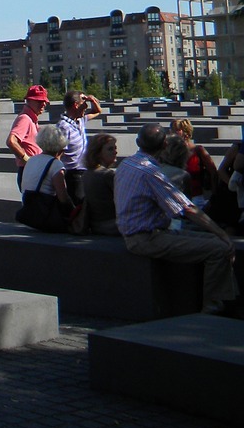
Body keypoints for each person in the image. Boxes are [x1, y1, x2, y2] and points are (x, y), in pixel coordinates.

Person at [115, 124, 238, 315]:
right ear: (165, 144)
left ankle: (229, 300)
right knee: (220, 248)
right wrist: (221, 233)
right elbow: (186, 208)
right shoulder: (151, 173)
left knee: (215, 241)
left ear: (138, 142)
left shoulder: (127, 164)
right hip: (146, 239)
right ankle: (212, 308)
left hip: (140, 233)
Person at [15, 124, 77, 233]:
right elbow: (63, 197)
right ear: (60, 147)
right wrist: (75, 212)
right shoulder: (56, 165)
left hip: (29, 213)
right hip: (45, 215)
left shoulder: (31, 160)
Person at [57, 90, 102, 204]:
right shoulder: (63, 127)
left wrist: (91, 99)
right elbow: (57, 154)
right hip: (72, 174)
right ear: (76, 105)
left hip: (83, 171)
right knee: (78, 206)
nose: (86, 107)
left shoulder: (80, 120)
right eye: (84, 103)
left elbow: (97, 111)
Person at [6, 85, 50, 183]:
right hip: (28, 170)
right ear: (28, 101)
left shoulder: (31, 119)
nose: (43, 104)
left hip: (32, 169)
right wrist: (28, 161)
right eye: (39, 101)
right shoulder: (25, 118)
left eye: (44, 101)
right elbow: (11, 141)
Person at [81, 132, 120, 235]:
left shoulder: (87, 173)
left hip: (95, 225)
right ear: (97, 153)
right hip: (112, 225)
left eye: (115, 148)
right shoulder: (107, 175)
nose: (115, 152)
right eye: (110, 149)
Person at [172, 119, 216, 206]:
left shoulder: (198, 150)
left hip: (195, 198)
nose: (173, 132)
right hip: (174, 198)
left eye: (177, 130)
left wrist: (214, 196)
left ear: (186, 132)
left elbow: (213, 172)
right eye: (172, 129)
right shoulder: (168, 152)